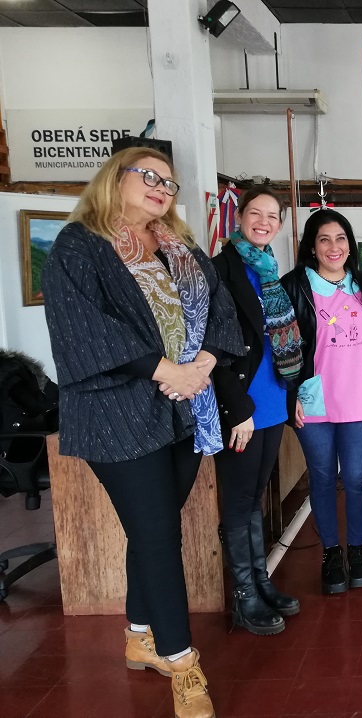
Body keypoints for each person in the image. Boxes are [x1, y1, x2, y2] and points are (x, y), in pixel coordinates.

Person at [42, 147, 242, 718]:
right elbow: (83, 331)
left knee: (153, 527)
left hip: (186, 407)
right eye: (149, 176)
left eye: (169, 182)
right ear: (116, 177)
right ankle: (181, 661)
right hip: (117, 413)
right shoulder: (80, 245)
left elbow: (221, 311)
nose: (162, 187)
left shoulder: (181, 247)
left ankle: (139, 635)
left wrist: (203, 364)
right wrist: (166, 371)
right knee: (157, 534)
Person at [212, 185, 303, 633]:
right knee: (239, 500)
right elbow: (211, 347)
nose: (263, 222)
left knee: (255, 497)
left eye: (272, 216)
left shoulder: (269, 269)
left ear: (280, 225)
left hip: (272, 400)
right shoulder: (220, 269)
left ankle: (261, 582)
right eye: (255, 213)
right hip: (242, 406)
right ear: (240, 217)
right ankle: (244, 595)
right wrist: (236, 409)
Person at [281, 209, 362, 594]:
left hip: (359, 397)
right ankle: (331, 554)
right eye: (324, 239)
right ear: (312, 246)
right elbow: (282, 346)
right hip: (313, 398)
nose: (333, 247)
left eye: (340, 238)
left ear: (350, 245)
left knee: (355, 478)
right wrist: (291, 394)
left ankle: (357, 550)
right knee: (321, 477)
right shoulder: (294, 286)